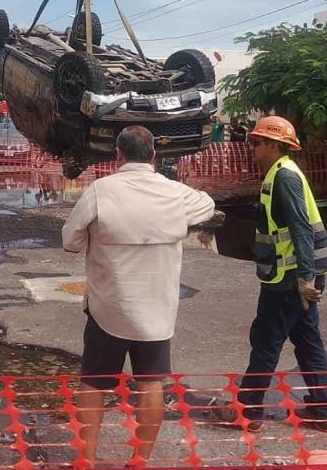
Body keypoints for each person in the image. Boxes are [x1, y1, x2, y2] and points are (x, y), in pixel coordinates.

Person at [62, 126, 217, 465]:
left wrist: (97, 237)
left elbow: (69, 240)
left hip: (108, 308)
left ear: (117, 155)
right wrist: (175, 222)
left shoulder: (101, 191)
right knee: (150, 383)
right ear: (154, 156)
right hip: (157, 315)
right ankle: (140, 460)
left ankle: (86, 460)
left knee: (93, 384)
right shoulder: (175, 194)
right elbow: (206, 204)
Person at [232, 115, 327, 433]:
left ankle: (249, 412)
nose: (252, 148)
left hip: (289, 277)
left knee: (266, 340)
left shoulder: (285, 177)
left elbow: (300, 227)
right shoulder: (281, 173)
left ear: (274, 145)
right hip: (294, 275)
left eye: (257, 143)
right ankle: (324, 413)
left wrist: (305, 278)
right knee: (308, 342)